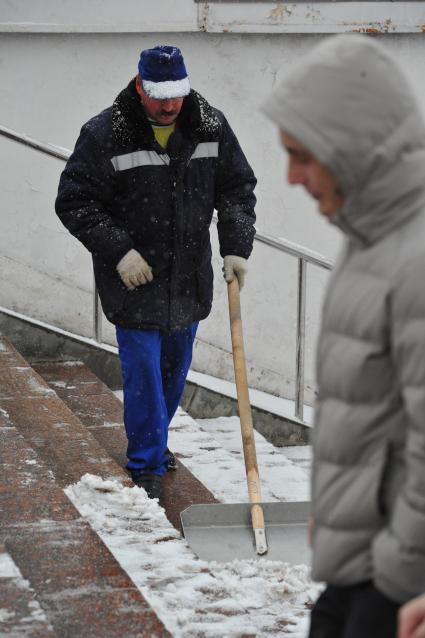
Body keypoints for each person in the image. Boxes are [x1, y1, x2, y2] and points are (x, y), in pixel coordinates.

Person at [263, 34, 425, 637]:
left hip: (401, 583)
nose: (292, 176)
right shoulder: (372, 237)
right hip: (367, 561)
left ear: (353, 148)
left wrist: (404, 573)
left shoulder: (415, 257)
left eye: (302, 155)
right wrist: (338, 519)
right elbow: (374, 413)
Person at [56, 45, 256, 498]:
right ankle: (146, 462)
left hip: (188, 278)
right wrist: (119, 251)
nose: (169, 106)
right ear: (140, 85)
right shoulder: (106, 133)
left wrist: (236, 246)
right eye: (160, 96)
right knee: (144, 369)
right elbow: (75, 200)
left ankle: (154, 444)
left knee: (172, 370)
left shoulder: (210, 126)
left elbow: (238, 188)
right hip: (135, 279)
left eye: (177, 95)